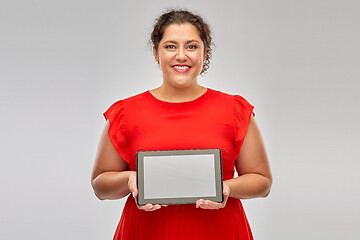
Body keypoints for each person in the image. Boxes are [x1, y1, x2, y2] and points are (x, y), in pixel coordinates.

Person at [91, 9, 272, 240]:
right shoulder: (125, 113)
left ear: (205, 54)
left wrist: (227, 188)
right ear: (156, 53)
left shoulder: (235, 110)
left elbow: (263, 182)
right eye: (170, 46)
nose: (181, 55)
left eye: (192, 46)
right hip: (147, 232)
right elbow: (100, 186)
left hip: (219, 231)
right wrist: (130, 179)